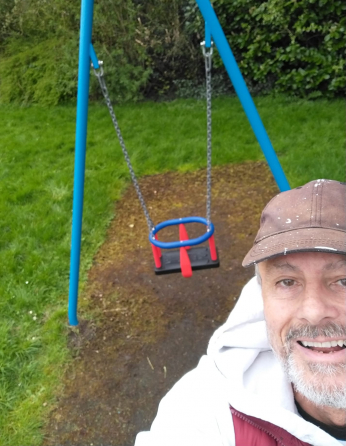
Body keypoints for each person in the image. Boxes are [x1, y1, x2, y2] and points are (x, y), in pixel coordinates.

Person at [135, 179, 346, 446]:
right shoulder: (207, 408)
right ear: (262, 297)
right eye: (287, 282)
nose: (314, 311)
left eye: (343, 280)